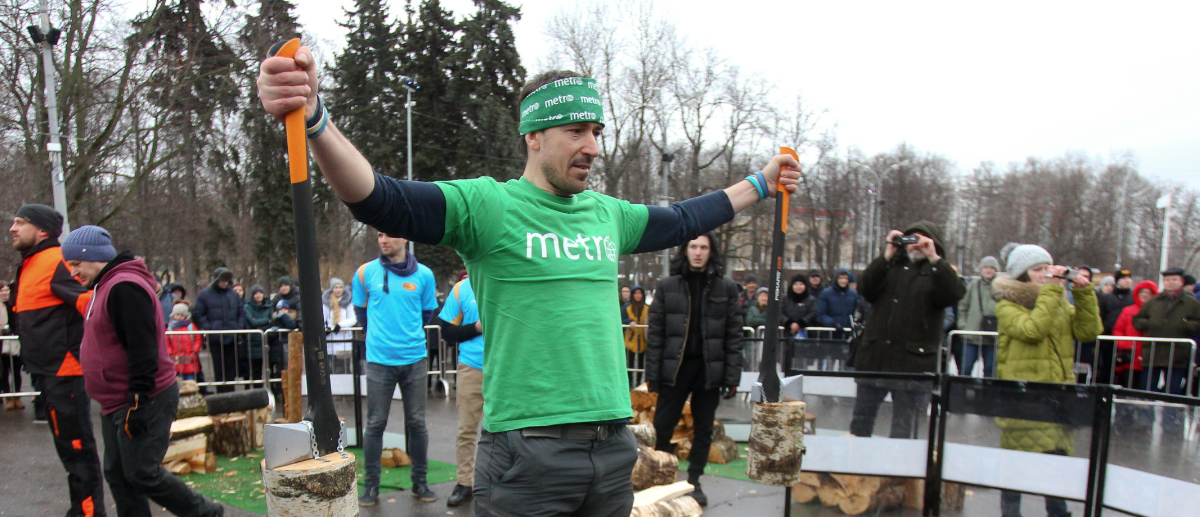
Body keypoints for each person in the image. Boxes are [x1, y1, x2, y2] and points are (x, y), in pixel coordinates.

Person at [259, 50, 801, 516]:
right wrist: (315, 120)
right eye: (577, 131)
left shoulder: (608, 214)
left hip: (612, 451)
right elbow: (381, 200)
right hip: (527, 456)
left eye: (596, 131)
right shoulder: (491, 206)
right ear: (534, 135)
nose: (593, 146)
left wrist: (761, 181)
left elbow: (684, 219)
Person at [59, 226, 224, 517]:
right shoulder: (104, 285)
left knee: (140, 472)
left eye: (76, 264)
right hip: (115, 400)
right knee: (119, 474)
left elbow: (143, 348)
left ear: (93, 256)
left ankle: (204, 513)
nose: (74, 272)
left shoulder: (124, 287)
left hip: (141, 398)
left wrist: (138, 400)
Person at [10, 204, 106, 516]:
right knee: (69, 451)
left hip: (65, 373)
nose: (12, 228)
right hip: (44, 372)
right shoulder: (30, 263)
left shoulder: (56, 261)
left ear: (41, 230)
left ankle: (89, 512)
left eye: (20, 223)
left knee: (78, 449)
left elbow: (92, 305)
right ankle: (81, 509)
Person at [991, 244, 1101, 517]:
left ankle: (1058, 514)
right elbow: (1033, 330)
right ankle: (1010, 513)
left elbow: (1089, 331)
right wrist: (1053, 290)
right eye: (1037, 269)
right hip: (1024, 397)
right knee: (1015, 465)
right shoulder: (1007, 304)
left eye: (1046, 268)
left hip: (1057, 396)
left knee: (1057, 462)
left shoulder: (1058, 301)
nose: (1044, 274)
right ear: (1022, 274)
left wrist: (1083, 292)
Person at [646, 233, 742, 507]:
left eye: (703, 247)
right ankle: (661, 478)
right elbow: (656, 335)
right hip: (674, 368)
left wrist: (732, 376)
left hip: (708, 369)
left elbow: (734, 336)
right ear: (685, 250)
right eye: (693, 246)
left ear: (711, 252)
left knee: (703, 430)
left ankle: (694, 481)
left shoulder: (726, 288)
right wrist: (652, 374)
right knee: (662, 427)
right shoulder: (667, 286)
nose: (698, 252)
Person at [851, 222, 965, 439]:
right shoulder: (889, 267)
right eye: (911, 240)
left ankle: (898, 471)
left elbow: (953, 294)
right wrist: (887, 254)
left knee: (905, 428)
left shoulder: (939, 271)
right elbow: (865, 288)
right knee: (861, 422)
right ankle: (855, 467)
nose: (915, 245)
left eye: (921, 240)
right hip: (875, 359)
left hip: (913, 363)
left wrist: (933, 257)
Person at [352, 232, 439, 505]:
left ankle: (420, 483)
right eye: (379, 235)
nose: (383, 240)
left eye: (389, 234)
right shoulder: (365, 273)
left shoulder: (424, 275)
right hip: (379, 361)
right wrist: (378, 338)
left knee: (416, 423)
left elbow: (426, 314)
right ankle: (371, 487)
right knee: (375, 424)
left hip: (414, 359)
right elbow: (360, 311)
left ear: (405, 239)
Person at [432, 277, 485, 507]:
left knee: (511, 430)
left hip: (508, 367)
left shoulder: (511, 278)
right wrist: (476, 327)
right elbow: (447, 332)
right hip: (471, 367)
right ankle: (465, 484)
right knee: (466, 430)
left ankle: (509, 484)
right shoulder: (462, 288)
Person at [1131, 267, 1200, 398]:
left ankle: (1171, 418)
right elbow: (1138, 320)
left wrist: (1185, 325)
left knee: (1173, 393)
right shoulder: (1153, 301)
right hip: (1153, 353)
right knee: (1147, 392)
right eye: (1167, 280)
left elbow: (1198, 323)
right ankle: (1145, 417)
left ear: (1182, 281)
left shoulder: (1192, 303)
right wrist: (1151, 323)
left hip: (1178, 354)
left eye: (1174, 279)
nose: (1170, 282)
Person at [191, 268, 244, 394]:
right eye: (222, 280)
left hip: (231, 337)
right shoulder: (205, 294)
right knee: (219, 370)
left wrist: (238, 328)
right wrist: (209, 328)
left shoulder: (233, 294)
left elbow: (241, 312)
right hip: (216, 338)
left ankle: (231, 395)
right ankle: (222, 396)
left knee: (231, 371)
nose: (225, 283)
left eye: (226, 280)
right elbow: (197, 314)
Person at [957, 256, 1000, 377]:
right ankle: (963, 393)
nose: (988, 270)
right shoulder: (973, 286)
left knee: (990, 370)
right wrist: (963, 325)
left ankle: (987, 394)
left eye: (992, 268)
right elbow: (963, 306)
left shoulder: (1001, 286)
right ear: (981, 269)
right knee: (966, 368)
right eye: (986, 267)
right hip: (972, 334)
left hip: (993, 335)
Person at [1112, 280, 1157, 388]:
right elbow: (1118, 330)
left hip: (1150, 356)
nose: (1145, 295)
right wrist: (1125, 344)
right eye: (1142, 292)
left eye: (1148, 293)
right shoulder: (1128, 310)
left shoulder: (1158, 312)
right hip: (1130, 355)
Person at [242, 285, 279, 397]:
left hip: (267, 341)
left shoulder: (269, 306)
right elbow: (252, 322)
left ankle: (271, 392)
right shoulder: (247, 307)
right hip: (253, 341)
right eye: (256, 293)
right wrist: (266, 321)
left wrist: (262, 324)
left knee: (269, 368)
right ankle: (257, 393)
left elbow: (273, 321)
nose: (258, 295)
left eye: (260, 293)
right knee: (256, 369)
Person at [322, 278, 357, 374]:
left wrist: (340, 325)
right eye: (336, 287)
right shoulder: (326, 304)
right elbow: (322, 318)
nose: (338, 290)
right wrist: (326, 328)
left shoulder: (349, 304)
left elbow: (353, 319)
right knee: (330, 368)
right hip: (331, 339)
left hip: (344, 340)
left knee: (344, 368)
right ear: (332, 289)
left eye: (340, 287)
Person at [2, 282, 25, 410]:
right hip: (2, 344)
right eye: (2, 291)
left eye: (6, 290)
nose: (5, 293)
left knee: (16, 370)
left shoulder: (14, 304)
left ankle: (16, 397)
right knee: (3, 371)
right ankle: (8, 397)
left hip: (14, 341)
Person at [817, 269, 859, 339]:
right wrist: (834, 324)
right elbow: (822, 314)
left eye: (846, 278)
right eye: (841, 278)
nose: (843, 281)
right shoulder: (826, 293)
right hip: (831, 333)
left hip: (848, 333)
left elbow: (856, 311)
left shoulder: (853, 294)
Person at [165, 303, 203, 380]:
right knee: (178, 380)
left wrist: (194, 351)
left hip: (189, 357)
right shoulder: (170, 329)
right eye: (177, 315)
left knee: (190, 380)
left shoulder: (191, 327)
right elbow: (166, 341)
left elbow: (197, 339)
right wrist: (170, 352)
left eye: (182, 315)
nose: (179, 317)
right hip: (175, 358)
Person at [1100, 269, 1134, 335]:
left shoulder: (1134, 298)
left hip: (1127, 336)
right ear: (1117, 281)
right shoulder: (1106, 298)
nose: (1127, 281)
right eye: (1123, 278)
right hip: (1108, 336)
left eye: (1129, 278)